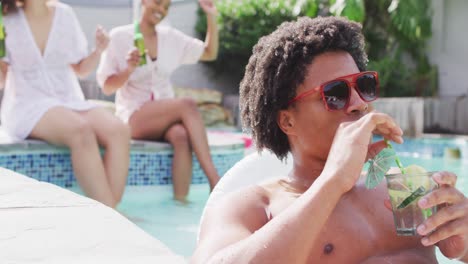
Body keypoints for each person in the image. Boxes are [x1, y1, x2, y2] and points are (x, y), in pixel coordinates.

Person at [192, 16, 468, 263]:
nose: (359, 103)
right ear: (288, 121)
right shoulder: (254, 207)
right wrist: (333, 181)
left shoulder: (405, 190)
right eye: (336, 93)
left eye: (364, 85)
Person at [0, 0, 131, 208]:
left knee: (119, 130)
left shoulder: (65, 14)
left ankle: (111, 211)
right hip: (27, 103)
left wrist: (99, 50)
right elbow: (2, 80)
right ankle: (114, 216)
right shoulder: (5, 19)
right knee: (81, 130)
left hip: (68, 99)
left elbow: (80, 69)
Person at [97, 0, 221, 202]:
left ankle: (181, 202)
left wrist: (210, 16)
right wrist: (128, 69)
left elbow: (209, 53)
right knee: (187, 104)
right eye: (157, 2)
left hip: (164, 117)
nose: (161, 10)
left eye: (166, 6)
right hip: (134, 116)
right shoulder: (120, 37)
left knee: (181, 135)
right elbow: (107, 86)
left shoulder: (170, 38)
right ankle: (215, 180)